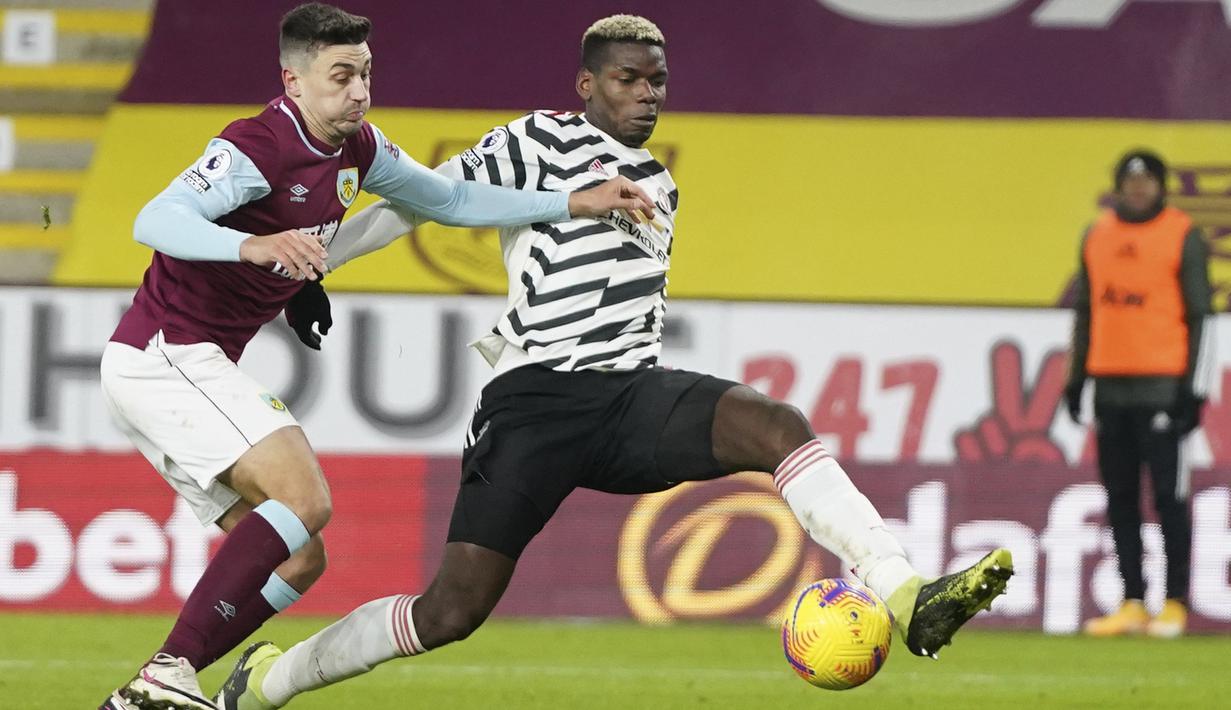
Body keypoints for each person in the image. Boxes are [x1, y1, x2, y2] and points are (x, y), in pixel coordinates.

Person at [214, 15, 1013, 709]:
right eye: (627, 79)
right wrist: (313, 265)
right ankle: (268, 682)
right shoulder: (538, 139)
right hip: (533, 403)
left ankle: (904, 592)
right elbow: (421, 199)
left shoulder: (660, 183)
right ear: (586, 85)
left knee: (776, 425)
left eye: (655, 80)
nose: (646, 94)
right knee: (450, 612)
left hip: (630, 398)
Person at [98, 4, 656, 709]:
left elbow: (450, 198)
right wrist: (253, 246)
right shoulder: (256, 146)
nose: (359, 92)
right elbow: (155, 218)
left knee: (301, 557)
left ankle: (148, 692)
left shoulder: (357, 148)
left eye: (365, 73)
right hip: (165, 354)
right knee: (305, 499)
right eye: (341, 76)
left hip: (186, 364)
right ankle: (168, 672)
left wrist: (572, 201)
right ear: (293, 81)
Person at [1065, 149, 1212, 639]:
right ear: (1118, 186)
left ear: (1162, 186)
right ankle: (1132, 600)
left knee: (1169, 498)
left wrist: (1194, 391)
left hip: (1162, 389)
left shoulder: (1181, 234)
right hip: (1111, 389)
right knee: (1120, 498)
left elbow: (1201, 317)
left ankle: (1174, 602)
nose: (1138, 188)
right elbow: (1087, 312)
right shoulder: (1097, 235)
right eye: (1130, 181)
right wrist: (1076, 378)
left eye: (1148, 180)